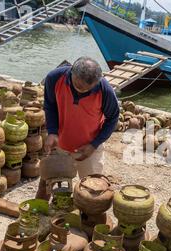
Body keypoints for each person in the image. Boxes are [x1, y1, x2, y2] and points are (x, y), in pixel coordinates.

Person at [36, 57, 119, 200]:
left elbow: (113, 118)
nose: (82, 91)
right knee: (48, 182)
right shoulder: (54, 78)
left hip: (88, 148)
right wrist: (52, 132)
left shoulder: (104, 90)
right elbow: (50, 105)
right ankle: (38, 215)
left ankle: (86, 218)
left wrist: (94, 145)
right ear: (71, 72)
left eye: (88, 88)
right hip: (60, 142)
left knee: (92, 191)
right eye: (78, 86)